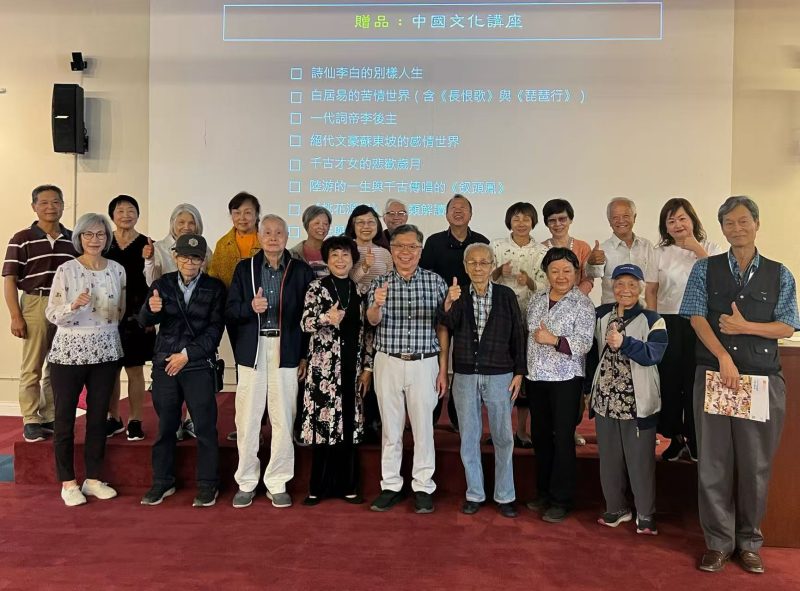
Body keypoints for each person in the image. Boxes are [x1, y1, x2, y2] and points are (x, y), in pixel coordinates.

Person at [680, 196, 799, 574]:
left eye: (744, 221)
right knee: (713, 463)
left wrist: (744, 326)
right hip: (715, 375)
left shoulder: (780, 274)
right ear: (722, 228)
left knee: (755, 465)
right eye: (729, 223)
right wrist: (723, 357)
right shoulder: (704, 268)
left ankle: (749, 543)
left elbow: (787, 325)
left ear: (757, 224)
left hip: (761, 380)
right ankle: (718, 543)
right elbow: (696, 318)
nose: (737, 228)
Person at [227, 215, 314, 509]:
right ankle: (246, 481)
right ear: (259, 236)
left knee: (283, 417)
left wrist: (304, 355)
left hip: (286, 349)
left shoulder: (300, 270)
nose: (273, 237)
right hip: (253, 350)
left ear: (287, 237)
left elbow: (308, 317)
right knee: (247, 419)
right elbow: (231, 310)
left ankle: (278, 481)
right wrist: (250, 307)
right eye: (268, 232)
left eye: (279, 233)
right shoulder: (245, 269)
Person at [437, 243, 526, 518]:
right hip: (465, 375)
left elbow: (518, 334)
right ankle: (474, 493)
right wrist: (448, 303)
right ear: (465, 267)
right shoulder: (458, 294)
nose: (478, 267)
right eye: (472, 263)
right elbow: (445, 324)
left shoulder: (506, 295)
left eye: (484, 262)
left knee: (503, 436)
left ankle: (505, 495)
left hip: (501, 375)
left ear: (492, 265)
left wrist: (519, 372)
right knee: (469, 436)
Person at [139, 234, 226, 508]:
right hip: (165, 364)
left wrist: (186, 355)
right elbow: (144, 320)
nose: (190, 262)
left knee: (205, 427)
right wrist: (150, 310)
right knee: (166, 426)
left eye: (196, 258)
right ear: (175, 257)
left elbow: (215, 331)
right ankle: (162, 481)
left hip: (197, 364)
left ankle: (208, 484)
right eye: (185, 257)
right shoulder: (162, 284)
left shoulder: (215, 288)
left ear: (203, 260)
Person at [367, 224, 449, 514]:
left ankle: (423, 486)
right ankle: (391, 485)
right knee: (391, 428)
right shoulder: (380, 282)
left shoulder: (435, 282)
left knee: (424, 428)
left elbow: (443, 327)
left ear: (420, 250)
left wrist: (443, 369)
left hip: (424, 362)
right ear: (391, 249)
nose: (406, 252)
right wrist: (376, 306)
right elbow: (372, 321)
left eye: (412, 246)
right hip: (388, 360)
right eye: (400, 246)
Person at [45, 213, 125, 506]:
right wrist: (73, 305)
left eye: (100, 234)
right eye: (88, 234)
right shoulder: (66, 270)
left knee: (98, 418)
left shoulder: (117, 270)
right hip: (69, 352)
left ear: (107, 238)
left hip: (105, 350)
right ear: (79, 238)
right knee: (65, 419)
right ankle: (68, 482)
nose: (94, 240)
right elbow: (52, 313)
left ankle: (93, 479)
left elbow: (120, 310)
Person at [588, 264, 668, 536]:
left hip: (637, 403)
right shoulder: (601, 315)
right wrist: (589, 390)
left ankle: (645, 513)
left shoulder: (653, 319)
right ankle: (616, 508)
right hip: (605, 401)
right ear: (612, 287)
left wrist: (625, 343)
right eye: (620, 284)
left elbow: (654, 354)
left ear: (641, 288)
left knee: (640, 461)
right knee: (608, 459)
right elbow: (592, 354)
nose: (625, 290)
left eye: (632, 285)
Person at [645, 198, 721, 461]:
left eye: (682, 218)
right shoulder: (659, 252)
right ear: (665, 226)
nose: (677, 224)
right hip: (669, 321)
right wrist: (654, 323)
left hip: (701, 322)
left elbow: (719, 281)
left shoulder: (710, 248)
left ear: (692, 220)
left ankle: (697, 439)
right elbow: (651, 291)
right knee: (670, 380)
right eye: (671, 220)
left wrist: (697, 249)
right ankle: (675, 438)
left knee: (696, 381)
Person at [300, 236, 373, 505]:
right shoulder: (317, 288)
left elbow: (368, 333)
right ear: (326, 260)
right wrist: (325, 318)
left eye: (345, 255)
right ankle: (317, 488)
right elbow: (305, 323)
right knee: (324, 428)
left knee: (347, 429)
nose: (340, 260)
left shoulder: (359, 291)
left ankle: (348, 486)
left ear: (353, 260)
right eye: (334, 255)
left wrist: (368, 368)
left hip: (353, 369)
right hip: (324, 372)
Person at [525, 247, 595, 523]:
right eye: (555, 270)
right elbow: (528, 334)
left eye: (567, 270)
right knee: (540, 436)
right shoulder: (536, 298)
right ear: (546, 273)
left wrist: (554, 340)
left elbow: (584, 343)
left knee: (563, 438)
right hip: (537, 377)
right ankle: (543, 491)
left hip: (566, 379)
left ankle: (561, 499)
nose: (561, 276)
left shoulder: (583, 304)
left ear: (577, 273)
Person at [3, 185, 77, 443]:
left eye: (56, 202)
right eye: (44, 203)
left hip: (65, 306)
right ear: (34, 206)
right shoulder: (22, 238)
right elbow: (10, 279)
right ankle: (31, 418)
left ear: (63, 205)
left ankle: (49, 415)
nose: (50, 207)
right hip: (35, 302)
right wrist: (15, 315)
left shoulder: (72, 239)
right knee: (32, 365)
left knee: (57, 364)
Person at [421, 194, 489, 432]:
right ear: (446, 213)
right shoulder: (434, 241)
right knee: (435, 363)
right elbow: (425, 275)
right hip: (439, 310)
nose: (458, 211)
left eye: (463, 208)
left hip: (470, 313)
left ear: (471, 214)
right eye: (454, 208)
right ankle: (431, 415)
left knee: (463, 364)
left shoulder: (481, 241)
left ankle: (458, 417)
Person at [143, 203, 212, 439]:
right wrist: (149, 261)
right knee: (170, 375)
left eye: (191, 222)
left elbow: (208, 281)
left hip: (197, 321)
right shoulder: (159, 247)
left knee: (195, 371)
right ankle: (175, 422)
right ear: (172, 223)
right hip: (168, 317)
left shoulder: (205, 248)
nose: (186, 226)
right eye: (181, 222)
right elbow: (151, 281)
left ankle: (192, 419)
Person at [491, 202, 549, 449]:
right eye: (516, 218)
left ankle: (523, 430)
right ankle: (499, 430)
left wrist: (530, 282)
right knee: (501, 375)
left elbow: (548, 285)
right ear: (509, 221)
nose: (521, 223)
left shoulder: (542, 251)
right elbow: (483, 278)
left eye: (526, 218)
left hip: (530, 320)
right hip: (500, 321)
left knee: (526, 375)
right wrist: (498, 271)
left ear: (533, 222)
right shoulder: (496, 246)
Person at [104, 195, 156, 441]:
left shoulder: (147, 244)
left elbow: (154, 281)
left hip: (137, 314)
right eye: (120, 210)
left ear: (138, 214)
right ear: (112, 215)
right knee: (111, 370)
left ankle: (135, 420)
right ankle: (113, 417)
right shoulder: (104, 242)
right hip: (107, 314)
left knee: (135, 369)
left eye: (131, 210)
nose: (126, 215)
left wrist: (149, 317)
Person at [586, 197, 657, 308]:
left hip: (642, 310)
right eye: (615, 217)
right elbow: (593, 274)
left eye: (626, 216)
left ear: (634, 217)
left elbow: (653, 283)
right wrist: (591, 263)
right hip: (611, 312)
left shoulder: (647, 246)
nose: (621, 220)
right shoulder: (602, 249)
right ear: (609, 221)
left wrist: (651, 314)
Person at [208, 192, 262, 288]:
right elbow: (213, 278)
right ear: (231, 215)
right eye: (237, 213)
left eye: (247, 212)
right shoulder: (222, 244)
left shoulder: (267, 242)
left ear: (257, 214)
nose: (242, 218)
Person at [541, 199, 593, 295]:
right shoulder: (539, 249)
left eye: (562, 219)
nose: (557, 224)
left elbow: (588, 278)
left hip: (578, 300)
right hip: (547, 301)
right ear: (546, 223)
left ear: (570, 219)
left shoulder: (583, 247)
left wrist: (573, 298)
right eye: (552, 220)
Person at [343, 205, 393, 294]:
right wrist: (365, 266)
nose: (366, 226)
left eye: (371, 222)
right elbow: (344, 282)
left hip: (379, 301)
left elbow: (390, 284)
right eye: (360, 222)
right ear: (353, 226)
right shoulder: (344, 250)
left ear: (377, 225)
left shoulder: (385, 253)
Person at [289, 205, 331, 278]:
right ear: (306, 225)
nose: (321, 227)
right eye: (317, 223)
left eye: (325, 224)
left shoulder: (335, 252)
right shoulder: (292, 254)